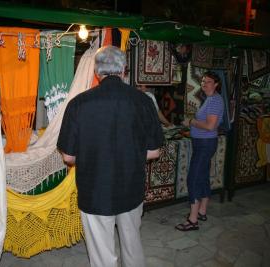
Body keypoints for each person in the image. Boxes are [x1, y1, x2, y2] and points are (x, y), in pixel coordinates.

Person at [57, 45, 164, 267]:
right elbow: (154, 151)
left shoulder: (78, 104)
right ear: (123, 69)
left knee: (103, 256)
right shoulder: (143, 101)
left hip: (94, 191)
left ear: (97, 71)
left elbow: (68, 157)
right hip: (131, 189)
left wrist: (92, 156)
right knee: (133, 247)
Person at [176, 71, 224, 231]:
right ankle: (202, 211)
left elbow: (211, 126)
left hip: (205, 144)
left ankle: (193, 220)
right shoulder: (209, 99)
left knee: (193, 179)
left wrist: (192, 122)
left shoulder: (215, 100)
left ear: (216, 84)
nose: (204, 84)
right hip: (203, 143)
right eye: (203, 81)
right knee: (202, 176)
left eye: (208, 81)